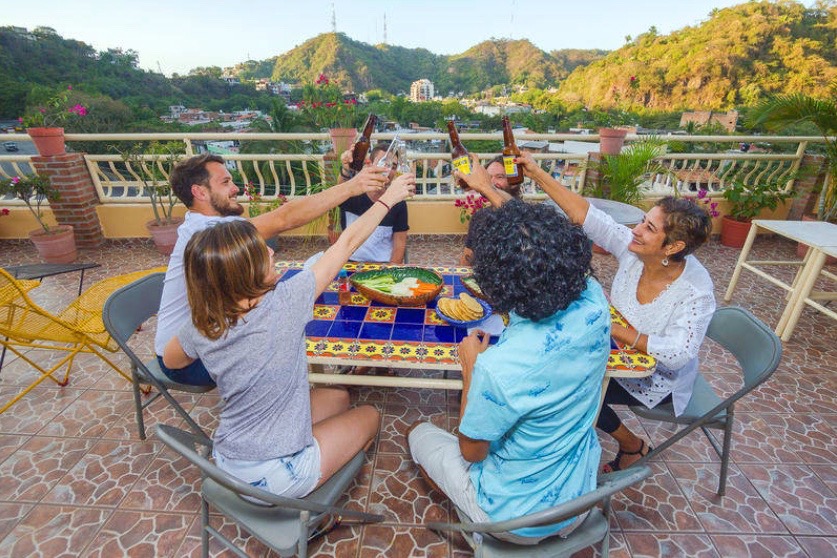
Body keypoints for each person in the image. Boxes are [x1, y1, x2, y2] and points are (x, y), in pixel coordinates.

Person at [162, 170, 416, 503]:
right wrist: (389, 198)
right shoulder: (286, 302)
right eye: (260, 252)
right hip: (276, 478)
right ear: (245, 273)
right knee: (370, 415)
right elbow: (348, 242)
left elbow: (171, 360)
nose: (270, 252)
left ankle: (309, 446)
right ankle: (316, 506)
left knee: (338, 396)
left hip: (228, 462)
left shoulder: (204, 320)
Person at [458, 151, 716, 472]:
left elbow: (678, 354)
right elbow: (584, 215)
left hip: (652, 378)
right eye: (642, 221)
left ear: (674, 247)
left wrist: (607, 326)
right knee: (560, 371)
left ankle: (629, 444)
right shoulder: (634, 249)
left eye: (649, 227)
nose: (636, 230)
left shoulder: (696, 291)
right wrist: (536, 172)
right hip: (605, 342)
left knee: (563, 378)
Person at [408, 200, 611, 544]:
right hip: (580, 499)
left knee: (418, 434)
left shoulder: (499, 368)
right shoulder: (594, 300)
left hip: (514, 522)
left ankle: (466, 521)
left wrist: (472, 365)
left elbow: (473, 451)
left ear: (496, 282)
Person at [154, 153, 390, 386]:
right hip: (186, 361)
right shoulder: (210, 234)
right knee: (285, 332)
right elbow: (283, 218)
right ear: (200, 192)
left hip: (195, 343)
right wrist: (353, 186)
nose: (235, 188)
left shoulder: (206, 225)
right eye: (225, 182)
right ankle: (302, 398)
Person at [337, 142, 409, 264]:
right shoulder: (354, 193)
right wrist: (346, 168)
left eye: (393, 166)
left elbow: (399, 245)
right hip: (351, 264)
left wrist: (389, 274)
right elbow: (340, 191)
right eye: (384, 162)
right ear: (370, 164)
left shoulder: (398, 203)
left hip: (383, 266)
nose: (388, 169)